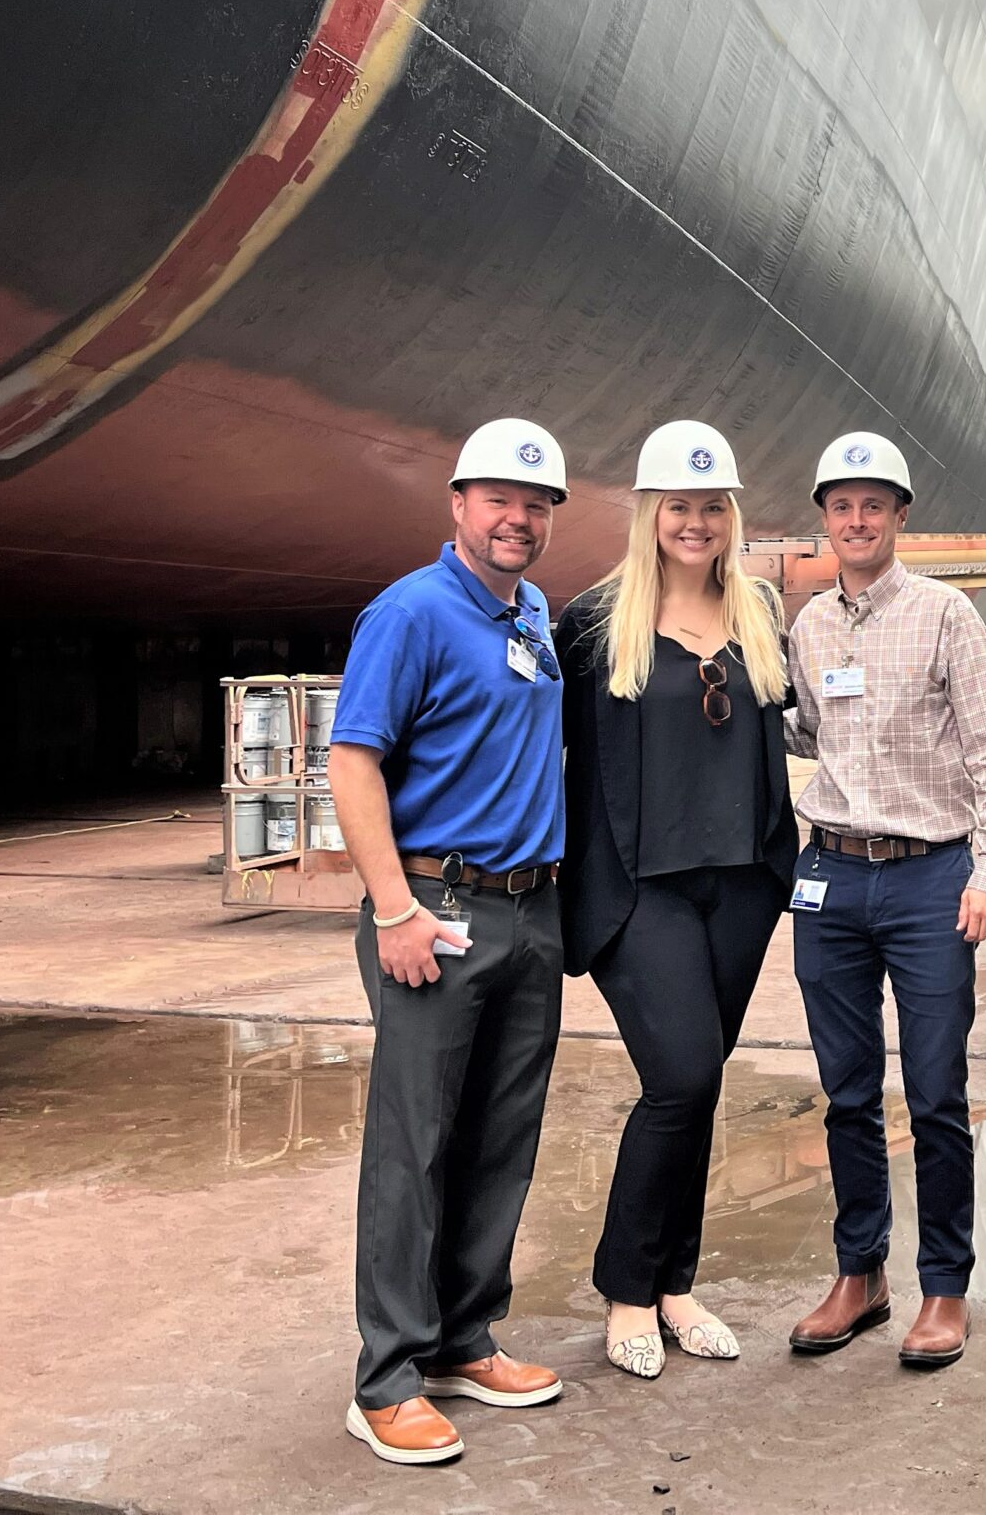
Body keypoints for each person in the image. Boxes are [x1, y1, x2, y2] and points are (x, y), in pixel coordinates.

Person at [328, 418, 571, 1465]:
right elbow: (351, 760)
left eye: (536, 504)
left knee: (497, 1141)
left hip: (530, 915)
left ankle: (462, 1338)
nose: (517, 518)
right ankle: (384, 1378)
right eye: (498, 499)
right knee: (413, 1148)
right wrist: (393, 909)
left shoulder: (535, 614)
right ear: (457, 505)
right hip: (439, 907)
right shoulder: (412, 611)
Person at [555, 420, 798, 1379]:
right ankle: (625, 1289)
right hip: (637, 891)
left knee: (699, 1089)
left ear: (730, 517)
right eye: (677, 509)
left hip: (739, 885)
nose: (694, 524)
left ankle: (675, 1284)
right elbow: (546, 752)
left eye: (710, 509)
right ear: (649, 515)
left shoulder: (760, 611)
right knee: (683, 1078)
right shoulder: (591, 623)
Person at [783, 430, 986, 1370]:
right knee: (846, 1092)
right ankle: (860, 1275)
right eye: (841, 506)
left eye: (872, 505)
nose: (856, 519)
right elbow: (805, 724)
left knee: (934, 1094)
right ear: (825, 518)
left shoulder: (944, 615)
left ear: (899, 515)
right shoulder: (807, 626)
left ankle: (944, 1286)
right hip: (832, 876)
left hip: (931, 878)